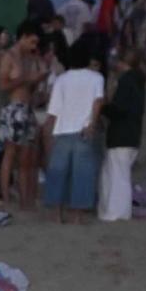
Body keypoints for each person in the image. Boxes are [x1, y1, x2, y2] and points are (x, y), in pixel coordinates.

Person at [41, 38, 104, 224]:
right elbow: (98, 102)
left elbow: (53, 111)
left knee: (58, 174)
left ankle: (57, 214)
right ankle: (77, 216)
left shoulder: (62, 79)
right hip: (84, 131)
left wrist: (47, 133)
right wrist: (92, 124)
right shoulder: (96, 78)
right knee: (83, 175)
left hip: (62, 131)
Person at [0, 26, 46, 211]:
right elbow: (3, 85)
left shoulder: (29, 58)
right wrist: (25, 78)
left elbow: (29, 86)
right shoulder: (9, 57)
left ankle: (26, 199)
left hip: (27, 107)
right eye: (31, 42)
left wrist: (37, 79)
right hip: (13, 108)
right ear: (23, 37)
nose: (34, 46)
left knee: (27, 155)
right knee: (10, 152)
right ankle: (6, 197)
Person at [98, 46, 146, 222]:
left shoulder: (127, 82)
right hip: (131, 134)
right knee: (117, 173)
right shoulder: (137, 81)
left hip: (122, 135)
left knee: (118, 176)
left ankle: (117, 213)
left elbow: (119, 109)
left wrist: (103, 107)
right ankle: (113, 211)